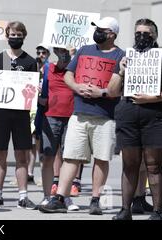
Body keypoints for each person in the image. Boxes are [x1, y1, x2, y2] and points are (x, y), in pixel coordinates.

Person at [40, 17, 124, 215]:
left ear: (112, 34)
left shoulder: (121, 56)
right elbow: (69, 74)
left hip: (105, 117)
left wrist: (101, 93)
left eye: (101, 30)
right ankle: (59, 197)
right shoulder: (84, 50)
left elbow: (116, 88)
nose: (97, 32)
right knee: (71, 157)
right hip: (79, 114)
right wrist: (77, 86)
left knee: (102, 159)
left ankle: (95, 200)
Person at [109, 18, 162, 220]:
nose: (142, 36)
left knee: (153, 165)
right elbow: (112, 91)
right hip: (128, 114)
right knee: (129, 164)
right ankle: (125, 210)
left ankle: (157, 211)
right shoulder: (124, 58)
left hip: (154, 115)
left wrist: (151, 98)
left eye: (147, 33)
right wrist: (121, 70)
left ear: (155, 36)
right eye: (138, 33)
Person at [0, 21, 38, 209]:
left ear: (24, 36)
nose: (15, 38)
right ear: (7, 36)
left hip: (21, 114)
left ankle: (23, 196)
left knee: (22, 156)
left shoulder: (30, 61)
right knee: (0, 154)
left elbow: (33, 89)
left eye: (19, 35)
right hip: (1, 114)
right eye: (12, 35)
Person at [37, 47, 79, 211]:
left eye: (67, 50)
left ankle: (64, 197)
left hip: (73, 117)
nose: (64, 53)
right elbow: (38, 93)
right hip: (50, 116)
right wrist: (38, 96)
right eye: (61, 50)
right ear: (55, 50)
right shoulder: (47, 68)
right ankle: (47, 197)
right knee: (48, 157)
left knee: (69, 158)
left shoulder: (77, 67)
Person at [29, 44, 50, 184]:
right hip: (32, 108)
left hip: (45, 109)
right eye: (38, 52)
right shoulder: (33, 66)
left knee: (42, 143)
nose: (40, 55)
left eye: (43, 52)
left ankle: (44, 175)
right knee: (32, 142)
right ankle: (29, 173)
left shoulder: (50, 68)